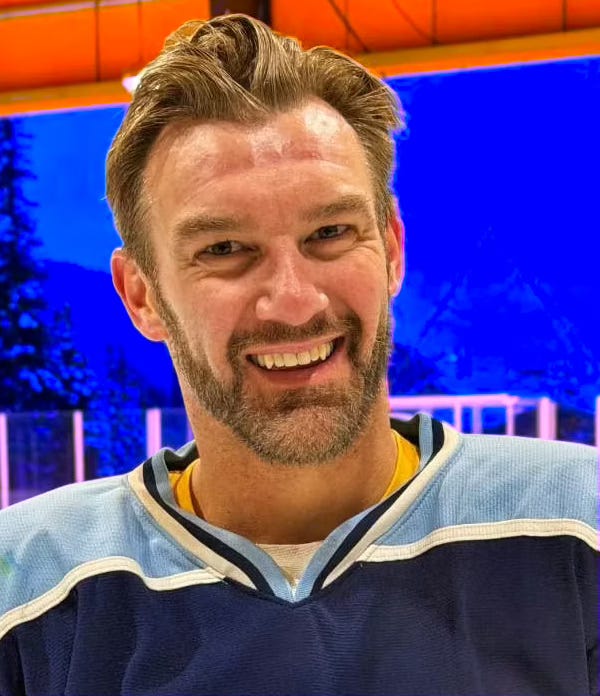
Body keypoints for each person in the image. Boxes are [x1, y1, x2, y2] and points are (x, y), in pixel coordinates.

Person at [0, 13, 597, 696]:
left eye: (331, 232)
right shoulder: (28, 586)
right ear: (143, 296)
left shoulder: (577, 524)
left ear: (391, 250)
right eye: (224, 249)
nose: (292, 302)